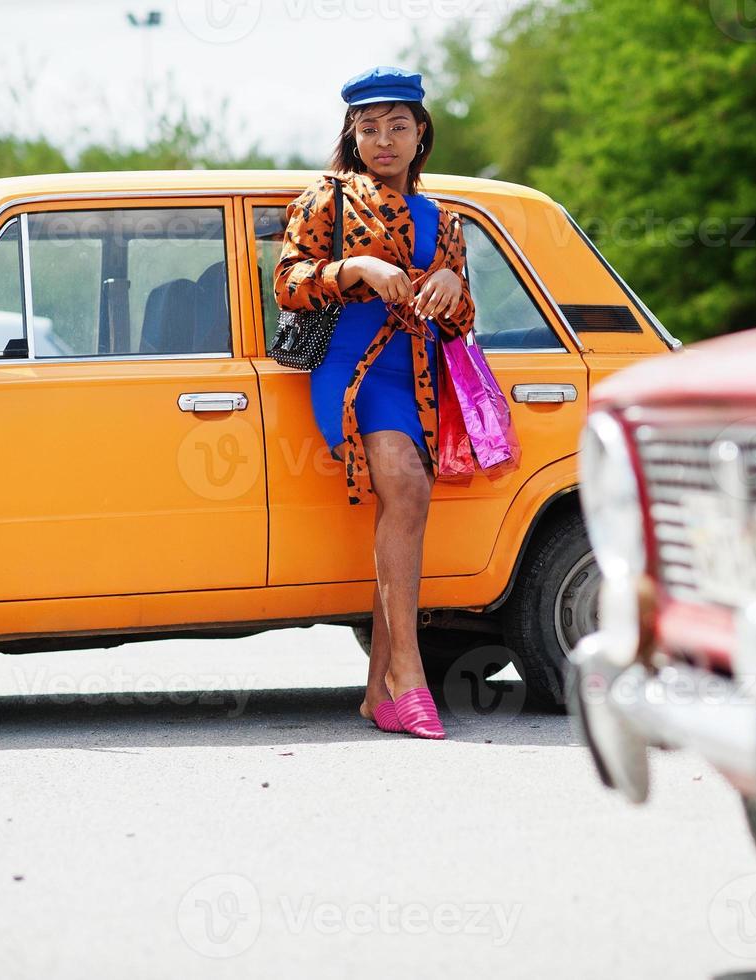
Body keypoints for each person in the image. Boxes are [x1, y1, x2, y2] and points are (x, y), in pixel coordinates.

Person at [273, 66, 476, 740]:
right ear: (352, 137)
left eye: (397, 127)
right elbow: (289, 283)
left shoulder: (443, 220)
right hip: (349, 372)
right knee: (408, 492)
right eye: (368, 128)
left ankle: (377, 695)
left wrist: (448, 280)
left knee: (406, 505)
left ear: (421, 135)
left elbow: (460, 318)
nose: (382, 140)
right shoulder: (326, 198)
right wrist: (357, 268)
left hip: (415, 375)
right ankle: (409, 677)